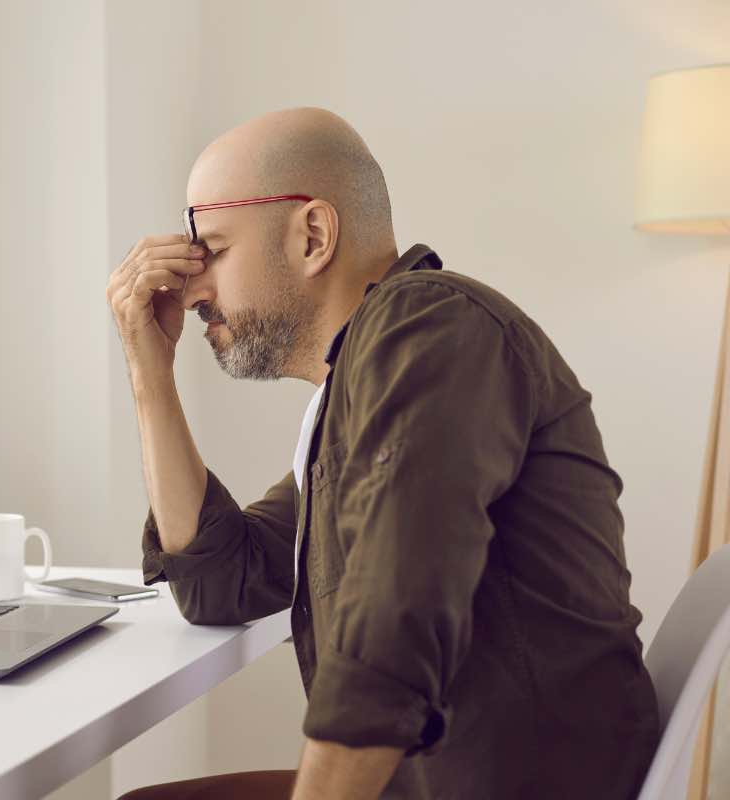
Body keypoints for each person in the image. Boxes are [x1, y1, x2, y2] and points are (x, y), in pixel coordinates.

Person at [105, 107, 660, 800]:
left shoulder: (431, 329)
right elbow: (222, 581)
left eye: (211, 250)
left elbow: (394, 620)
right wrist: (147, 368)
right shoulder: (360, 400)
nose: (192, 291)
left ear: (312, 235)